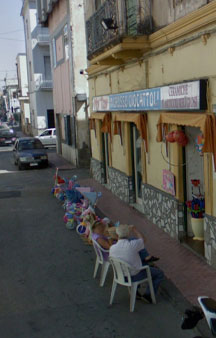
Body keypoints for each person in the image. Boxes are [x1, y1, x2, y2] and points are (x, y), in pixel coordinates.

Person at [109, 224, 164, 303]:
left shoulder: (112, 248)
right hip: (133, 276)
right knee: (159, 274)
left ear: (117, 235)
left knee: (139, 262)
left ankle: (135, 291)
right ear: (128, 234)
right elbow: (143, 239)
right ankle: (148, 295)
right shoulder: (133, 245)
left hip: (120, 275)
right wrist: (135, 229)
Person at [91, 220, 159, 264]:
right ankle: (146, 258)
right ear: (94, 229)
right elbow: (110, 247)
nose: (102, 229)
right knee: (133, 242)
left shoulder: (96, 234)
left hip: (112, 249)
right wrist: (109, 237)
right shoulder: (99, 238)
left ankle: (146, 257)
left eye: (102, 227)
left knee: (132, 241)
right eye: (99, 228)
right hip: (109, 254)